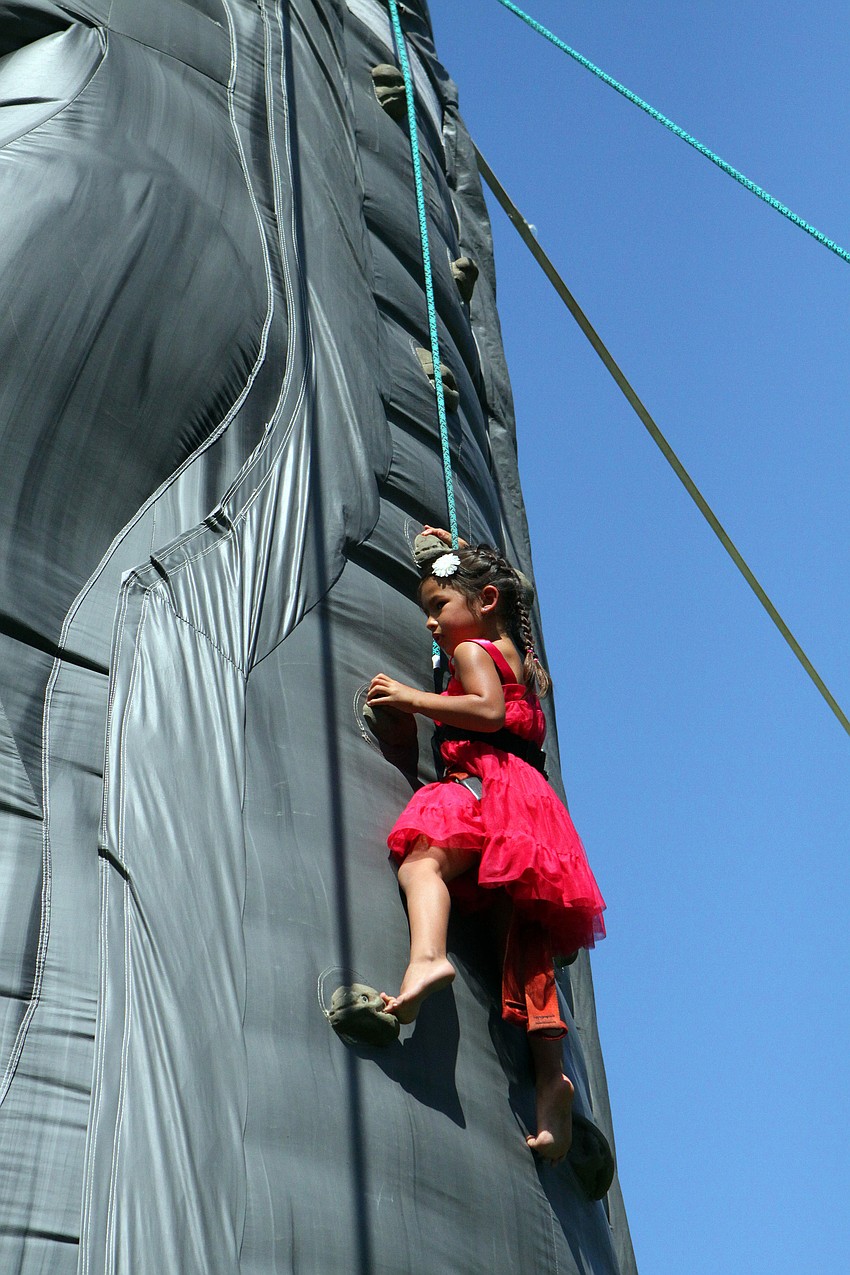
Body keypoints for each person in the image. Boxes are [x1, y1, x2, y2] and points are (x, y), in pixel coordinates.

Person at [367, 528, 606, 1163]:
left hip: (484, 785)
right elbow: (499, 591)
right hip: (527, 803)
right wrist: (452, 548)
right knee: (523, 942)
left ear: (483, 601)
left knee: (422, 856)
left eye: (437, 606)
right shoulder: (513, 648)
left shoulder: (474, 650)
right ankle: (552, 1079)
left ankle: (427, 956)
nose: (430, 623)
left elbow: (489, 712)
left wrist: (412, 700)